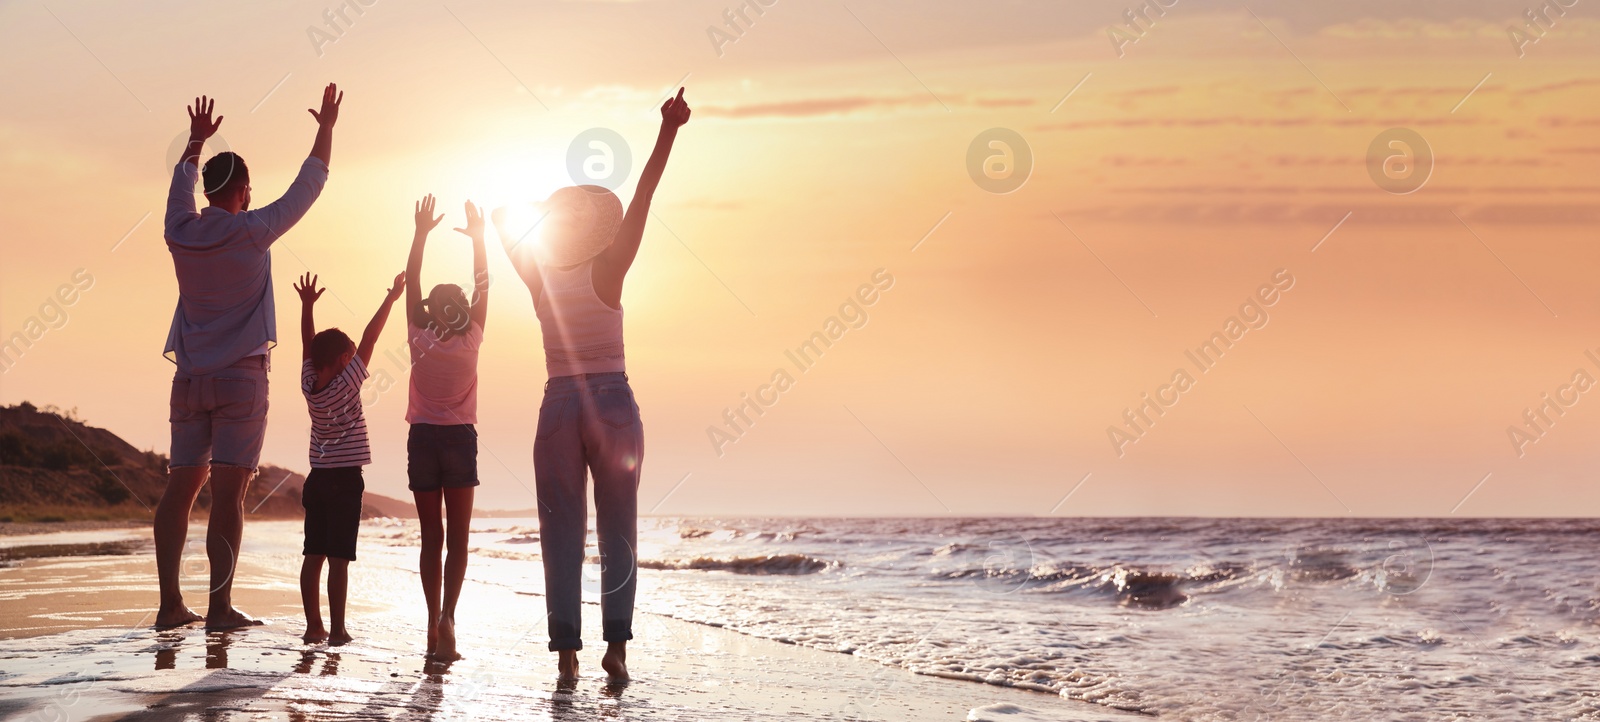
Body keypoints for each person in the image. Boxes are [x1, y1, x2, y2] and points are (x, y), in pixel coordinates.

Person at [494, 87, 692, 683]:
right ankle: (616, 650)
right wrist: (668, 129)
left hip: (557, 403)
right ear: (598, 231)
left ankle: (567, 655)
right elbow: (646, 195)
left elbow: (507, 217)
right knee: (618, 530)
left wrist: (549, 212)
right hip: (611, 403)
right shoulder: (611, 266)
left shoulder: (537, 275)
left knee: (560, 529)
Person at [154, 84, 343, 630]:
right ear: (241, 189)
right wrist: (326, 127)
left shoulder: (180, 232)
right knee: (229, 493)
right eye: (249, 189)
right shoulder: (253, 230)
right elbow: (308, 186)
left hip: (189, 379)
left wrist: (194, 142)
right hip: (240, 380)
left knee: (180, 486)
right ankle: (217, 609)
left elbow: (178, 188)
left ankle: (170, 604)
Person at [293, 270, 405, 645]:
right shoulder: (347, 381)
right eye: (352, 357)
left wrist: (307, 306)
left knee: (314, 554)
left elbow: (309, 344)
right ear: (344, 360)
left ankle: (313, 626)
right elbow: (372, 336)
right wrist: (390, 298)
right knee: (339, 559)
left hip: (317, 478)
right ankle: (338, 630)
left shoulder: (310, 385)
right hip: (344, 480)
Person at [404, 194, 489, 660]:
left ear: (431, 312)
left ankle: (431, 624)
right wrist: (479, 239)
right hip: (460, 440)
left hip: (423, 439)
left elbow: (414, 278)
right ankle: (448, 618)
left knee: (430, 539)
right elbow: (484, 286)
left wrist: (421, 233)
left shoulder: (418, 338)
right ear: (462, 310)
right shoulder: (473, 338)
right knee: (458, 538)